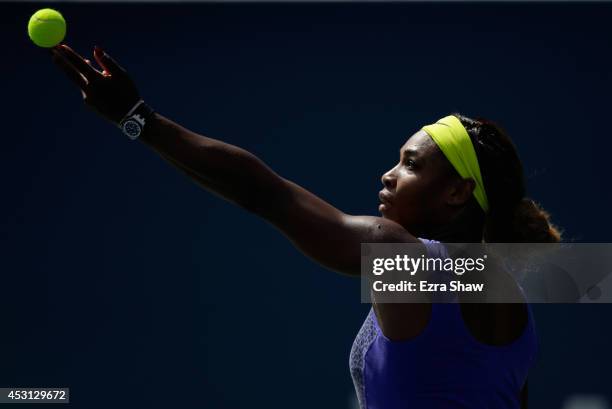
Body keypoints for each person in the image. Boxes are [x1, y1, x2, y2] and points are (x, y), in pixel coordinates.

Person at [50, 44, 562, 409]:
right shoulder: (515, 305)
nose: (387, 175)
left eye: (410, 164)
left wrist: (138, 119)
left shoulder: (399, 255)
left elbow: (264, 192)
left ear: (457, 192)